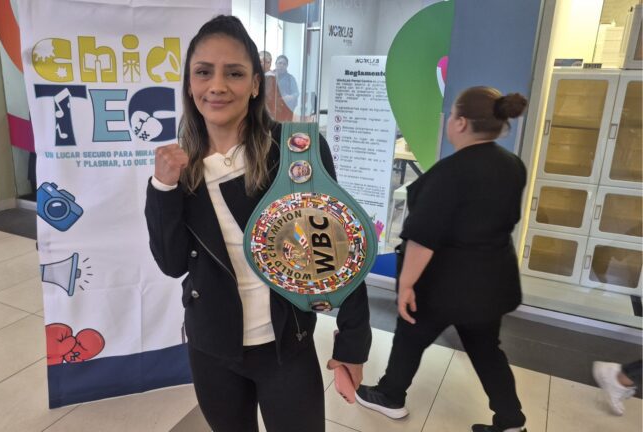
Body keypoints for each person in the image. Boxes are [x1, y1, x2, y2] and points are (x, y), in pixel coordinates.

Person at [145, 15, 371, 432]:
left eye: (234, 73)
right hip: (213, 348)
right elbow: (172, 263)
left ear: (254, 85)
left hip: (287, 345)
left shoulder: (296, 152)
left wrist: (353, 342)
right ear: (190, 85)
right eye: (203, 72)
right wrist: (162, 187)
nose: (217, 86)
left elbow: (343, 251)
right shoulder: (182, 168)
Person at [355, 86, 529, 432]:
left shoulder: (451, 172)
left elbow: (424, 238)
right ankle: (511, 421)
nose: (449, 121)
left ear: (461, 123)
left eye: (451, 115)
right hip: (491, 282)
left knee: (410, 336)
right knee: (486, 349)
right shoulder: (513, 165)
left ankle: (390, 396)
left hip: (444, 283)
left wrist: (405, 285)